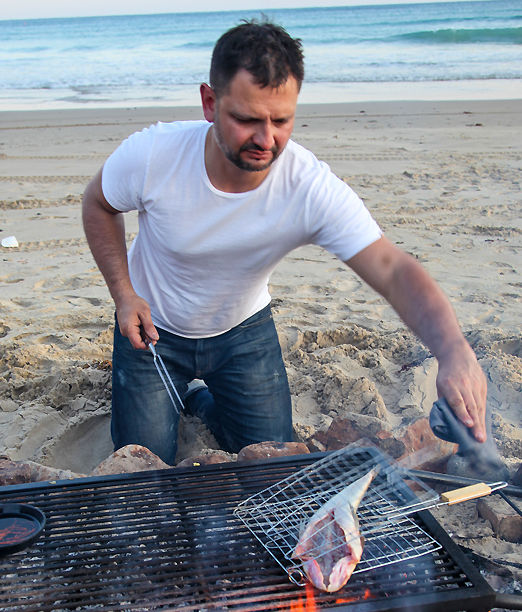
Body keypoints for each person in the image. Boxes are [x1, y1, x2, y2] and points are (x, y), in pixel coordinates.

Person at [83, 20, 487, 465]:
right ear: (210, 102)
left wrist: (454, 352)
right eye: (247, 119)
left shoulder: (306, 185)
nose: (266, 139)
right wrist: (123, 295)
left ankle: (198, 399)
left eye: (281, 120)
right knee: (142, 460)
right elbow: (98, 203)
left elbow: (392, 269)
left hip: (244, 333)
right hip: (152, 331)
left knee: (273, 461)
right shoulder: (154, 154)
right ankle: (157, 402)